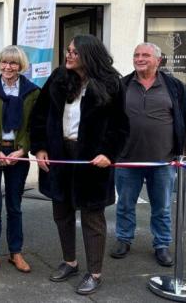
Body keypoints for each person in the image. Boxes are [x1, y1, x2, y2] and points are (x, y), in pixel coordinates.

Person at [30, 34, 129, 296]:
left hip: (93, 160)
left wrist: (109, 154)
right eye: (68, 51)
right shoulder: (58, 78)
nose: (68, 55)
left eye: (74, 52)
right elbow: (39, 115)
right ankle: (70, 262)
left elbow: (121, 126)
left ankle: (94, 273)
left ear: (89, 54)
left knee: (91, 217)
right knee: (61, 212)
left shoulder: (111, 83)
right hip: (59, 154)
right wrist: (40, 148)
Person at [111, 42, 186, 266]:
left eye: (145, 55)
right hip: (127, 159)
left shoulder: (173, 86)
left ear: (158, 60)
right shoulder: (122, 85)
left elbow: (183, 117)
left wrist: (178, 150)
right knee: (125, 204)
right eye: (136, 54)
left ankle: (162, 244)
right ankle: (124, 239)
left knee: (162, 206)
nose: (140, 58)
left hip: (163, 160)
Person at [0, 46, 39, 276]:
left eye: (13, 63)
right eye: (4, 62)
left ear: (21, 66)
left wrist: (21, 151)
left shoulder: (33, 92)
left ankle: (15, 252)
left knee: (14, 206)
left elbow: (35, 125)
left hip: (18, 154)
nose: (8, 67)